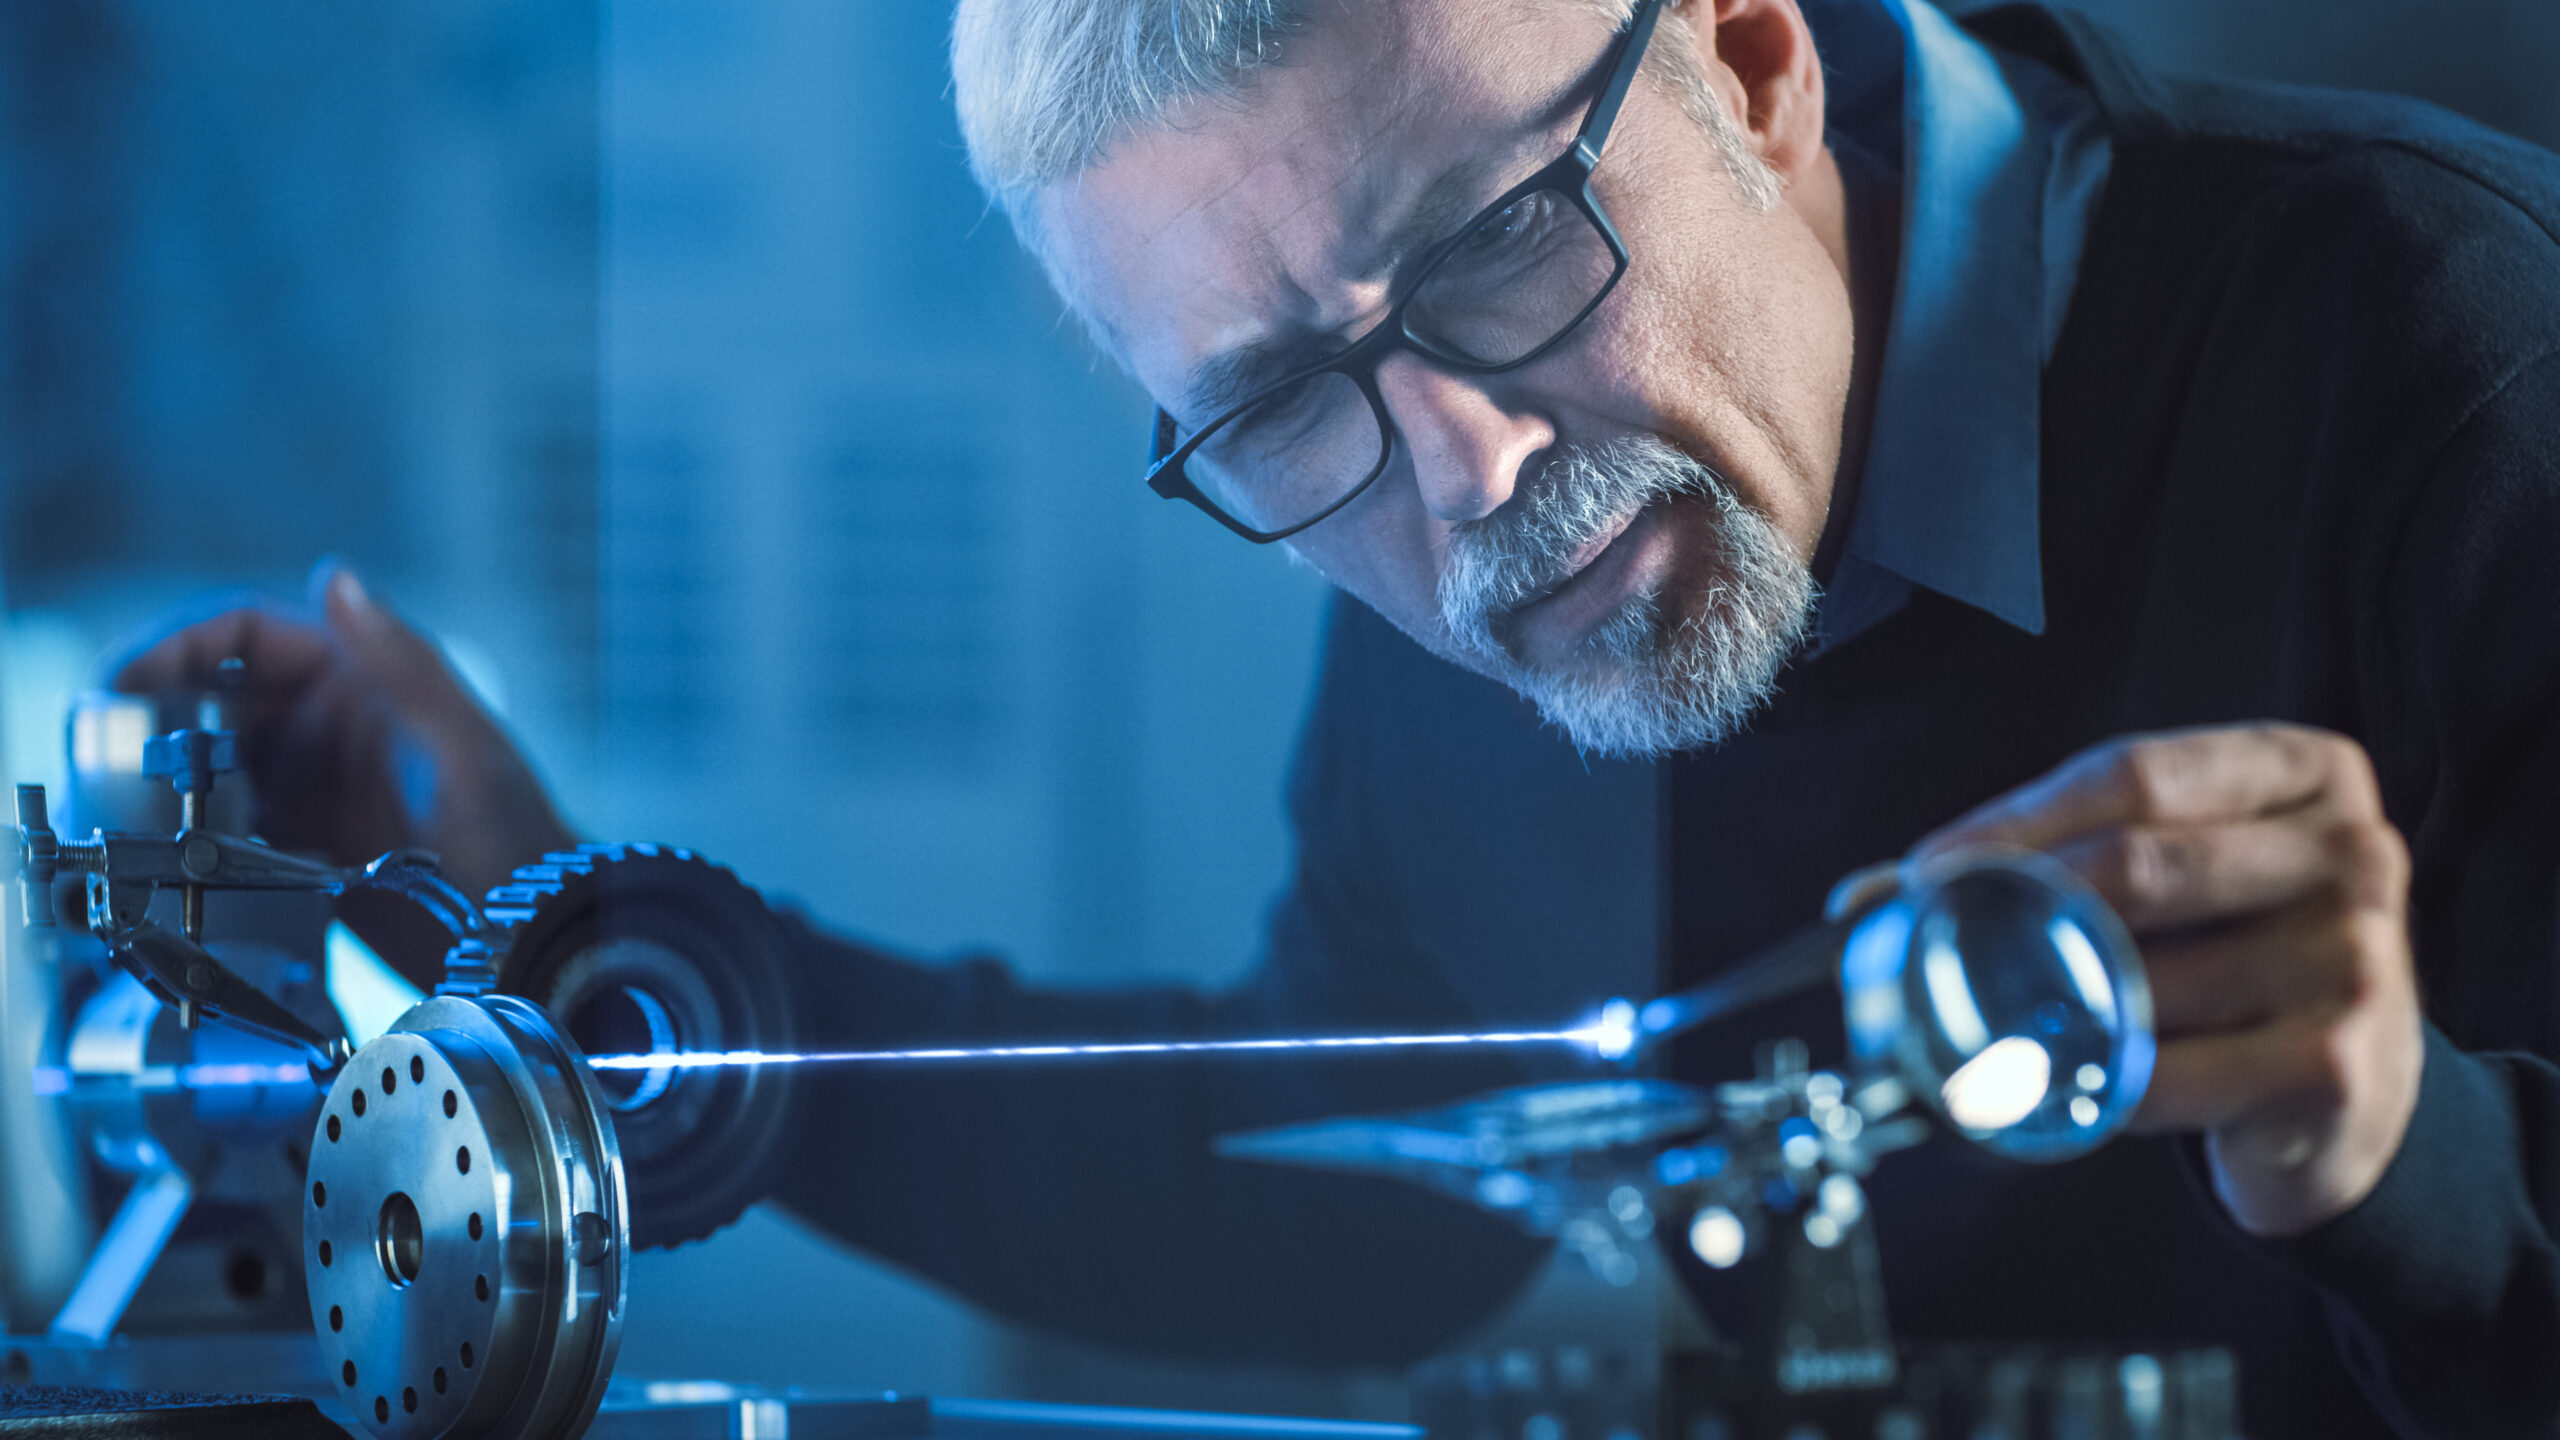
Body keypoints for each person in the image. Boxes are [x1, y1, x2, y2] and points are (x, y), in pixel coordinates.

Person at [116, 0, 2560, 1432]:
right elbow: (1328, 1197)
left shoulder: (2447, 367)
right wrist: (590, 954)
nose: (1472, 479)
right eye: (1285, 405)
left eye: (1509, 243)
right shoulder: (1495, 518)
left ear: (1746, 55)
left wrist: (2413, 1164)